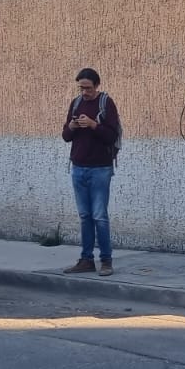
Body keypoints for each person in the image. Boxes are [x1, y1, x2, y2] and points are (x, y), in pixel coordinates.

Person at [60, 67, 122, 276]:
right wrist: (73, 126)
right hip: (78, 167)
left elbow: (111, 136)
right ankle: (86, 259)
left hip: (100, 169)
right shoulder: (76, 104)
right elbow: (66, 136)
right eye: (81, 88)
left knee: (99, 216)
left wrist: (94, 124)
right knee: (85, 216)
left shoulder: (106, 103)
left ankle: (106, 261)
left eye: (87, 88)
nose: (84, 92)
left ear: (97, 86)